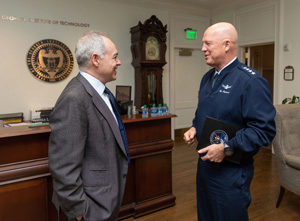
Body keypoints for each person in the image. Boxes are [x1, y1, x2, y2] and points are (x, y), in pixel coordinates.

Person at [183, 22, 276, 221]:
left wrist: (225, 147)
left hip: (231, 173)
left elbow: (264, 130)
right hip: (205, 167)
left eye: (208, 44)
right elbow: (204, 112)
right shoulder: (208, 78)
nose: (202, 49)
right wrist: (194, 127)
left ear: (226, 45)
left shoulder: (250, 81)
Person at [48, 31, 129, 221]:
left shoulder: (103, 92)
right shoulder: (74, 97)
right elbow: (63, 166)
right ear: (96, 59)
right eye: (115, 57)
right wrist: (79, 212)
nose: (119, 62)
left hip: (104, 199)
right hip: (90, 206)